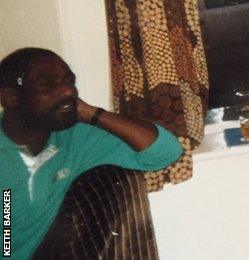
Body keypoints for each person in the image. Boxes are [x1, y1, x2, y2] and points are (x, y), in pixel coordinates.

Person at [0, 48, 183, 259]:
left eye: (69, 81)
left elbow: (166, 152)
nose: (67, 91)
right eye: (47, 84)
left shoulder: (76, 136)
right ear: (10, 97)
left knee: (119, 179)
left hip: (50, 249)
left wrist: (91, 113)